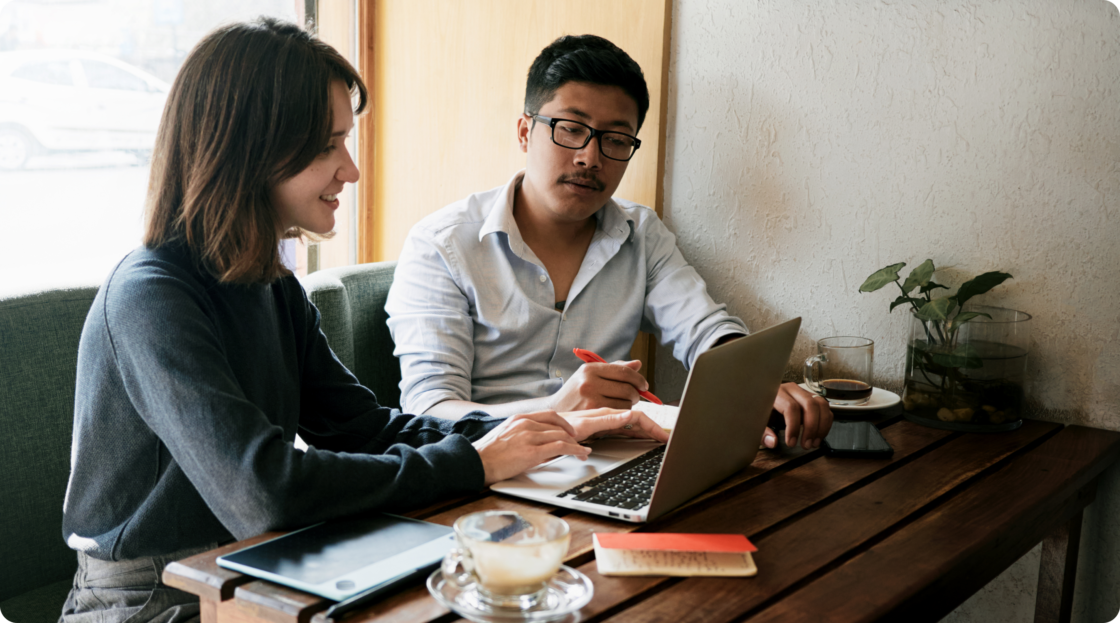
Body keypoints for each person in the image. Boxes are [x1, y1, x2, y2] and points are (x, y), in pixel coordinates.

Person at [58, 20, 666, 623]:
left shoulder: (268, 284)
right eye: (328, 145)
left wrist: (539, 432)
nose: (349, 169)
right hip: (148, 598)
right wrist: (475, 462)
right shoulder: (151, 297)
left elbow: (363, 428)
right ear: (248, 149)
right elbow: (264, 492)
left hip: (257, 565)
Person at [385, 34, 832, 451]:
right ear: (525, 131)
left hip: (609, 459)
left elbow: (702, 328)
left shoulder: (641, 234)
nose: (590, 158)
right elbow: (429, 413)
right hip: (489, 475)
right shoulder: (441, 245)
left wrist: (753, 382)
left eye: (616, 139)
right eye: (571, 129)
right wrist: (556, 410)